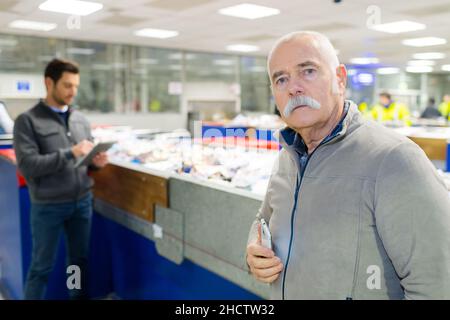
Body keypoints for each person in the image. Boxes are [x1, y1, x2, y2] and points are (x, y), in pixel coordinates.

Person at [246, 31, 450, 300]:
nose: (293, 87)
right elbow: (263, 219)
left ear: (340, 79)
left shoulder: (395, 160)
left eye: (307, 71)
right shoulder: (288, 157)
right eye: (281, 79)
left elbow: (438, 286)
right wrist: (254, 250)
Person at [13, 58, 108, 300]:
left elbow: (83, 163)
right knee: (41, 267)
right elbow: (28, 166)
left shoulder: (80, 120)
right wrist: (70, 152)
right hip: (48, 206)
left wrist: (95, 163)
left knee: (77, 262)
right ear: (49, 83)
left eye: (75, 86)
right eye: (67, 85)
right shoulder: (28, 121)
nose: (72, 92)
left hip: (81, 202)